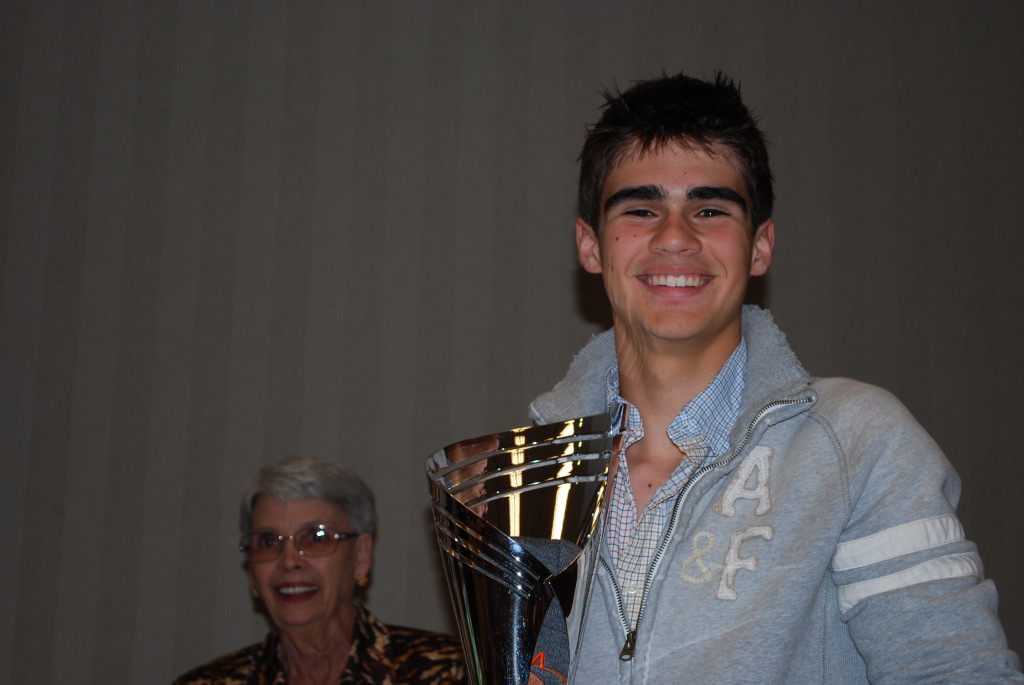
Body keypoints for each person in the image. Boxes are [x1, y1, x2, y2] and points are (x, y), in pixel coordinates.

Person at [526, 71, 1023, 683]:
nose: (675, 237)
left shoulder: (859, 443)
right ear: (591, 245)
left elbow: (954, 670)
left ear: (760, 246)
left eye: (710, 209)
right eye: (641, 209)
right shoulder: (528, 478)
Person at [173, 456, 466, 685]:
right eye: (268, 541)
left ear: (361, 556)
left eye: (316, 537)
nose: (289, 561)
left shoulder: (453, 672)